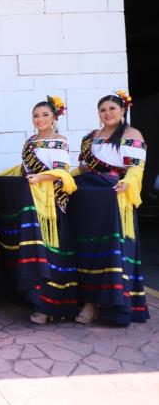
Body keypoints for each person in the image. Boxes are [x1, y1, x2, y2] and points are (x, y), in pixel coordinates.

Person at [0, 97, 78, 323]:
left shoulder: (59, 141)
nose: (40, 119)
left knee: (49, 253)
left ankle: (50, 307)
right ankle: (35, 300)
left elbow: (62, 172)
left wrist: (40, 177)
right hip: (30, 202)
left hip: (49, 204)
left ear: (54, 117)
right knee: (33, 253)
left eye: (45, 115)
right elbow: (23, 169)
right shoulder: (30, 141)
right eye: (36, 115)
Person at [70, 91, 148, 325]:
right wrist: (60, 178)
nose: (108, 113)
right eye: (103, 109)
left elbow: (136, 169)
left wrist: (128, 183)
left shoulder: (132, 134)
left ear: (123, 110)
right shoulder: (90, 137)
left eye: (112, 109)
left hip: (113, 196)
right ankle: (88, 302)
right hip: (88, 198)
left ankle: (109, 305)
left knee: (109, 249)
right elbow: (82, 169)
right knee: (86, 250)